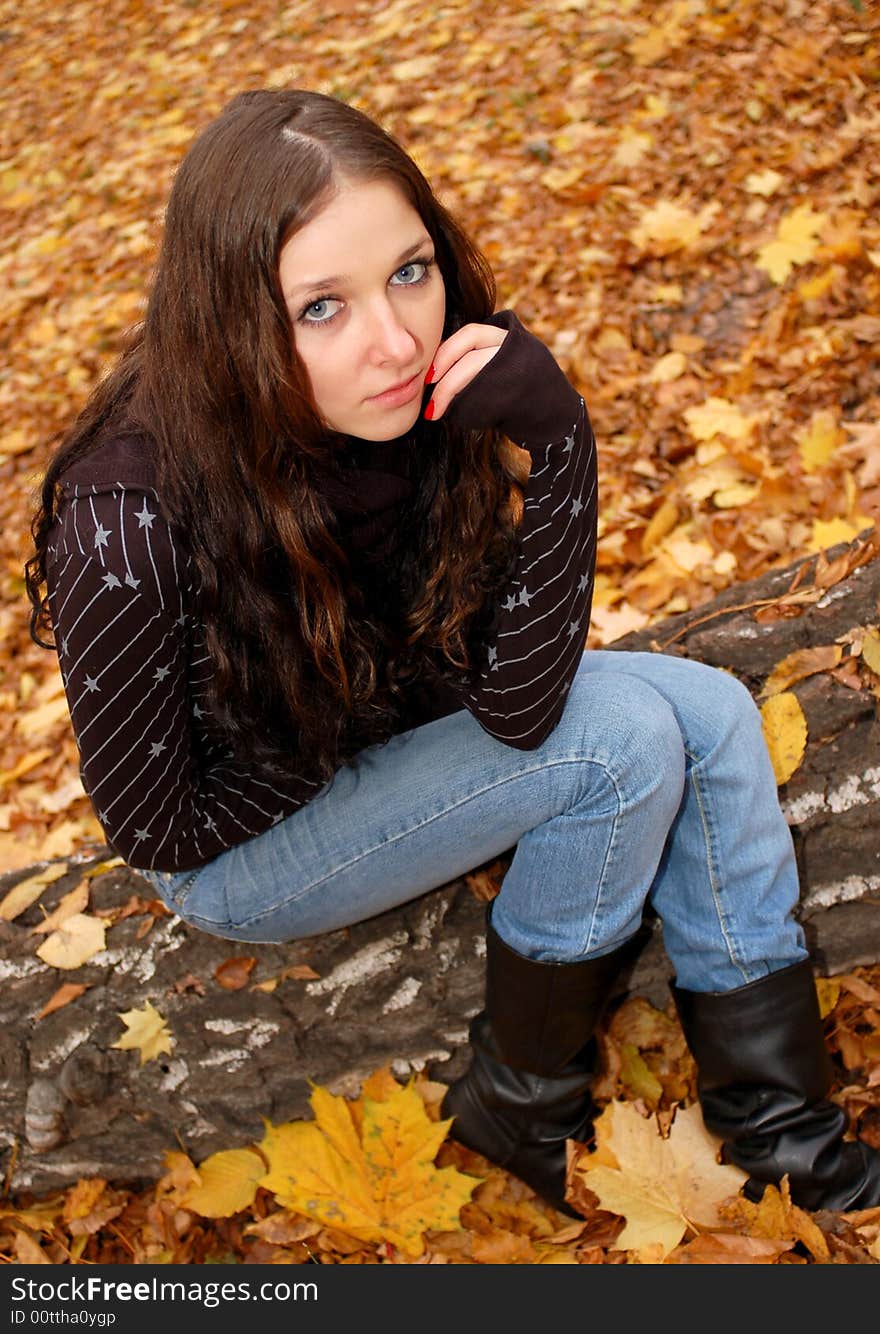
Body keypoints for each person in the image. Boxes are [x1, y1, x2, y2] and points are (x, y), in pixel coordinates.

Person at [26, 89, 879, 1220]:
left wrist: (563, 443)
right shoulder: (126, 513)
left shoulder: (427, 393)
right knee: (620, 745)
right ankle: (523, 1101)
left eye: (410, 272)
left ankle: (782, 1133)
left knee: (714, 710)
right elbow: (156, 829)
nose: (393, 340)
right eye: (318, 306)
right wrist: (370, 702)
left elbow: (509, 695)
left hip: (375, 722)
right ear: (230, 318)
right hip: (238, 845)